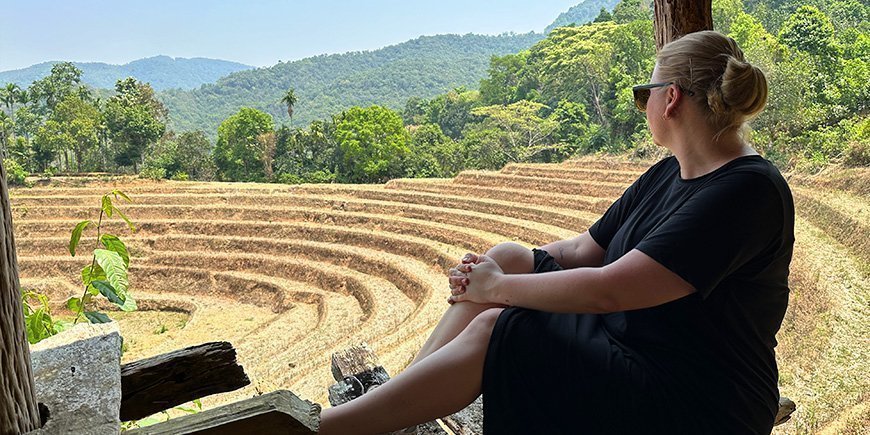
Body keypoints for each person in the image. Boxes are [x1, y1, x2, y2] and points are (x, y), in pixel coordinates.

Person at [318, 30, 794, 435]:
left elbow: (611, 289)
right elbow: (585, 249)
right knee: (506, 254)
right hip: (633, 345)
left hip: (695, 395)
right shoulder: (670, 173)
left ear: (670, 98)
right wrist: (487, 272)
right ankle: (401, 404)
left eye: (643, 92)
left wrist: (499, 290)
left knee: (498, 326)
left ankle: (329, 429)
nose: (642, 103)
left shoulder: (745, 191)